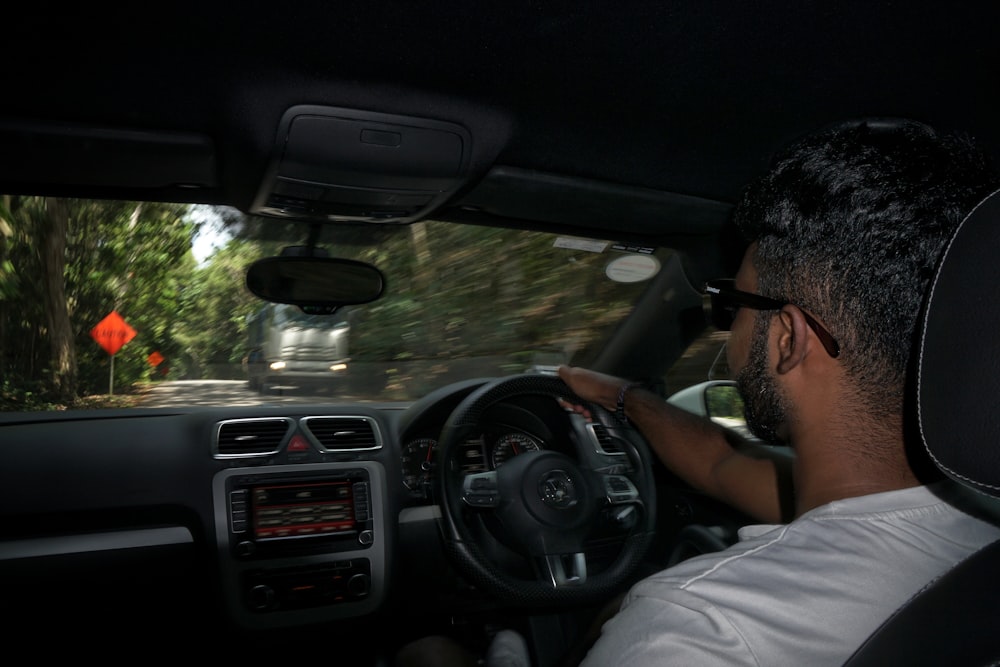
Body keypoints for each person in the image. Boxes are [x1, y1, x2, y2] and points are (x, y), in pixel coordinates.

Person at [394, 117, 1000, 666]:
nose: (727, 331)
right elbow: (719, 463)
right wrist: (627, 397)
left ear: (787, 339)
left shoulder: (699, 633)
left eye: (730, 305)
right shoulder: (968, 516)